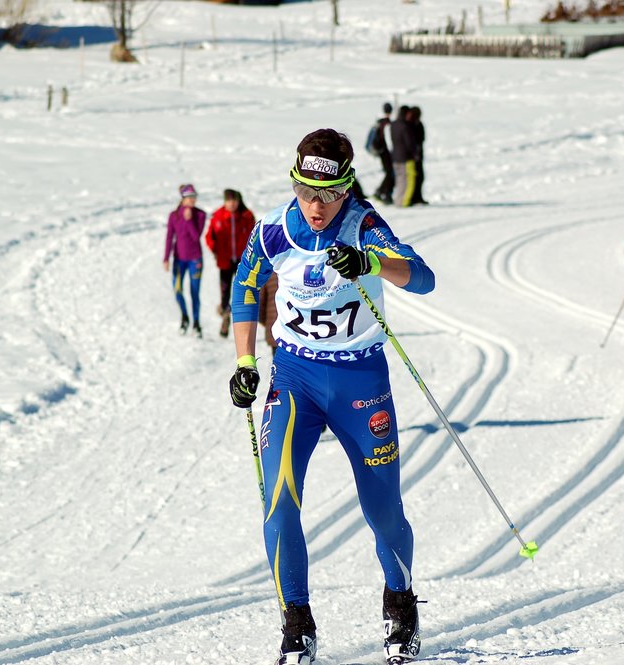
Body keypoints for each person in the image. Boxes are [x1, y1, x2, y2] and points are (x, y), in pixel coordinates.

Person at [227, 128, 435, 665]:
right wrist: (246, 361)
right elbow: (244, 286)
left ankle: (401, 605)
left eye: (329, 194)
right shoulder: (273, 227)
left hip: (361, 381)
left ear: (347, 189)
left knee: (383, 511)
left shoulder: (364, 225)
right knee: (278, 504)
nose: (316, 207)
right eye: (305, 192)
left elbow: (423, 278)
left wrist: (370, 263)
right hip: (295, 378)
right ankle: (296, 624)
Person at [206, 189, 256, 338]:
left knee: (242, 292)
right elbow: (210, 237)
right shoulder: (218, 216)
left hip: (243, 261)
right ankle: (225, 317)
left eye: (234, 201)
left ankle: (243, 323)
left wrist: (251, 253)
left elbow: (254, 236)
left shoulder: (247, 216)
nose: (232, 204)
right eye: (229, 201)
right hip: (225, 261)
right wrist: (216, 251)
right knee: (225, 291)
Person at [163, 183, 206, 337]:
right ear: (183, 198)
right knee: (177, 290)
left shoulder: (200, 215)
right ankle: (185, 317)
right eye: (189, 197)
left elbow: (196, 237)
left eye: (194, 197)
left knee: (195, 292)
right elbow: (169, 237)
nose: (193, 200)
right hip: (179, 259)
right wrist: (166, 257)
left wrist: (189, 221)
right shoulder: (174, 216)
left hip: (195, 259)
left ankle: (196, 324)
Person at [390, 105, 418, 207]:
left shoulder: (393, 124)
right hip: (406, 158)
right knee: (407, 181)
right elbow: (410, 143)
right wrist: (415, 153)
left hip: (395, 157)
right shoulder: (405, 126)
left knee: (399, 180)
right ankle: (404, 202)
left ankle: (398, 200)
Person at [372, 102, 395, 204]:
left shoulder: (379, 122)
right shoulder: (387, 123)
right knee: (390, 172)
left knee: (389, 172)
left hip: (381, 151)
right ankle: (383, 192)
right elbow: (389, 141)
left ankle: (381, 191)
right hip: (386, 152)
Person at [409, 106, 428, 205]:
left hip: (417, 156)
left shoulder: (416, 124)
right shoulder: (412, 125)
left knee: (420, 177)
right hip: (414, 156)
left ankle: (418, 197)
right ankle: (415, 197)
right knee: (417, 177)